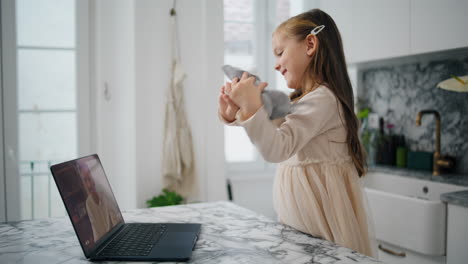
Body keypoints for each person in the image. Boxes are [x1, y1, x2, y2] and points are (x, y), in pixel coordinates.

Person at [218, 9, 375, 257]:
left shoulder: (323, 99)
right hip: (302, 218)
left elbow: (277, 148)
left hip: (322, 220)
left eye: (280, 52)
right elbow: (272, 131)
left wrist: (250, 108)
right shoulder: (301, 101)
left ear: (310, 44)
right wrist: (235, 112)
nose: (276, 64)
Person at [79, 162, 121, 242]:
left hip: (115, 236)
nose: (89, 185)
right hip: (106, 241)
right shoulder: (88, 203)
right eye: (85, 180)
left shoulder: (104, 191)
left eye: (90, 178)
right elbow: (95, 230)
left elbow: (116, 218)